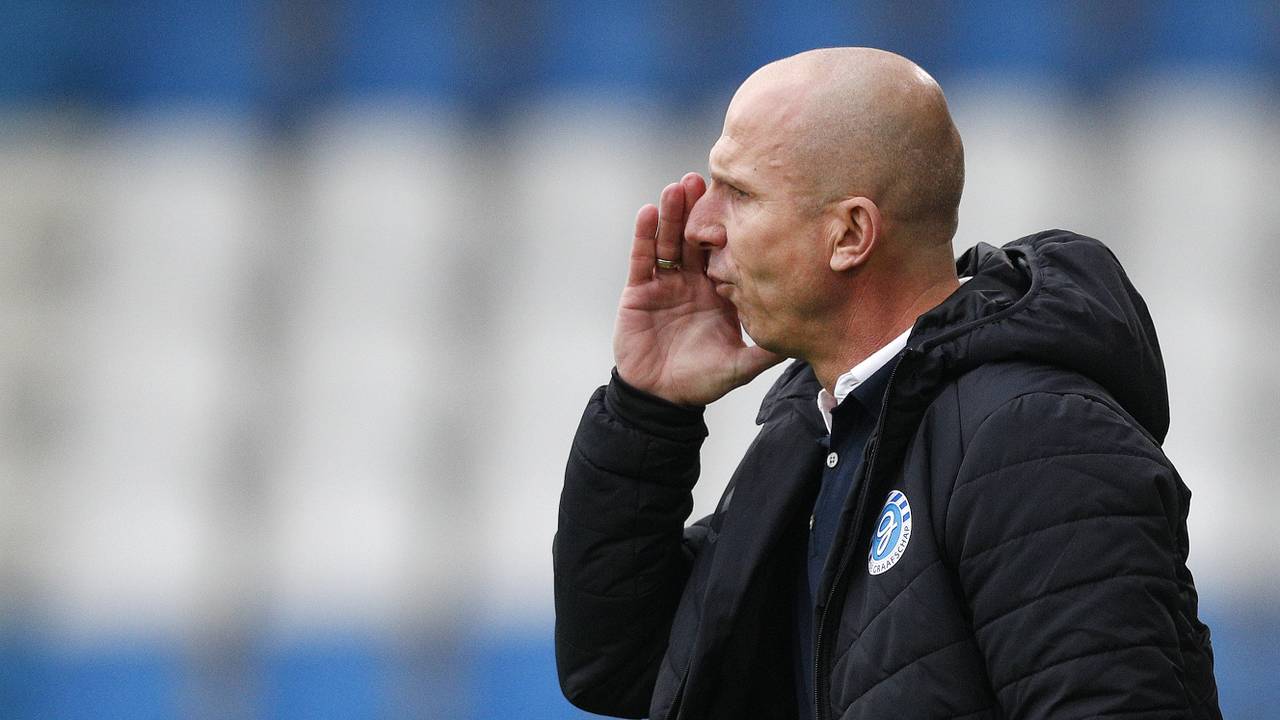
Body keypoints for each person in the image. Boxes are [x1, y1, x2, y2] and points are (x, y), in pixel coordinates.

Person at [553, 47, 1221, 720]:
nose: (700, 228)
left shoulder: (1037, 439)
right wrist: (649, 410)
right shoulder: (816, 435)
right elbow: (621, 669)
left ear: (849, 234)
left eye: (740, 193)